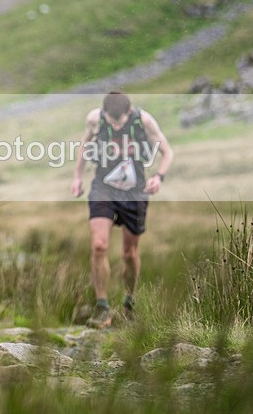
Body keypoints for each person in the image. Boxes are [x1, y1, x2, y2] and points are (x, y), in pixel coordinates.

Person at [71, 91, 173, 329]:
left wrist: (158, 177)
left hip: (134, 191)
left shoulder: (143, 121)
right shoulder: (95, 119)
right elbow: (84, 147)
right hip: (103, 188)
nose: (116, 125)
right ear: (104, 113)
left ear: (129, 112)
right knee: (99, 245)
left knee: (130, 254)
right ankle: (102, 308)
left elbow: (167, 152)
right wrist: (77, 177)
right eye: (112, 120)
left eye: (120, 121)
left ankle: (129, 302)